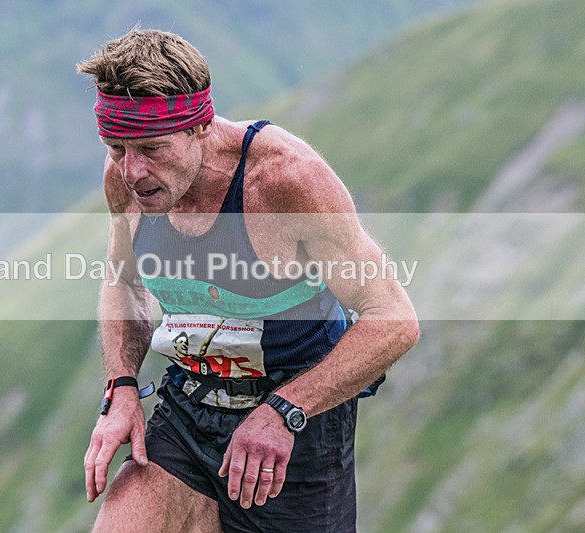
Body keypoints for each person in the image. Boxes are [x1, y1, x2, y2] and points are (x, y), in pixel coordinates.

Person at [77, 28, 419, 532]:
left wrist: (284, 412)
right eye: (115, 148)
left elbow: (394, 319)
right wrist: (121, 387)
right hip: (189, 404)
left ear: (199, 127)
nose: (132, 171)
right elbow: (124, 282)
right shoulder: (126, 179)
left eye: (151, 147)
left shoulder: (285, 181)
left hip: (295, 424)